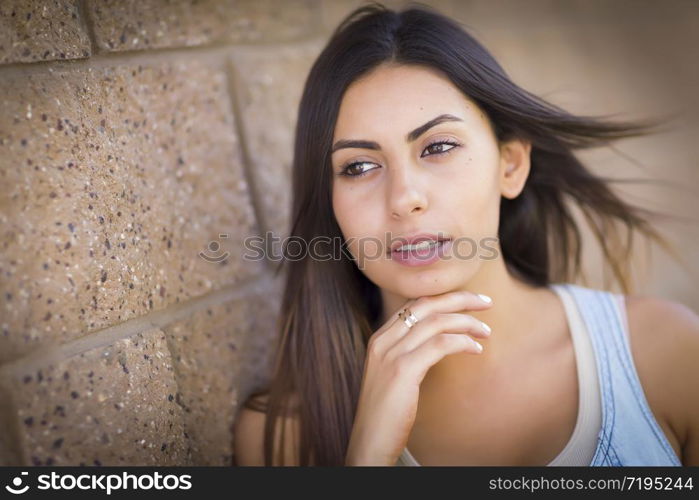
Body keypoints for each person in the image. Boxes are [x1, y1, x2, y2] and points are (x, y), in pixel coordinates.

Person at [233, 3, 699, 466]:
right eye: (359, 166)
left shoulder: (666, 354)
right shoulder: (282, 442)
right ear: (330, 202)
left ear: (511, 164)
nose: (404, 198)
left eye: (438, 147)